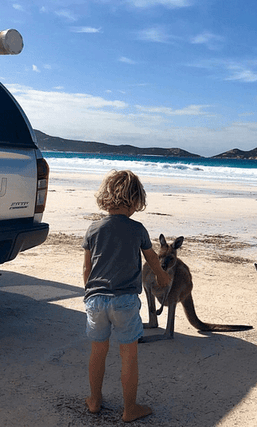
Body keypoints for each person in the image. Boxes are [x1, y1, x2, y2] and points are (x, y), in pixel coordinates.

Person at [82, 170, 171, 422]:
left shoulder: (93, 229)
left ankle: (94, 400)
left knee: (98, 351)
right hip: (125, 301)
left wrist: (89, 293)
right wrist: (162, 277)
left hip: (96, 299)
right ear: (135, 201)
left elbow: (87, 269)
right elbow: (151, 257)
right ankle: (129, 408)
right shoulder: (138, 229)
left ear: (106, 198)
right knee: (129, 355)